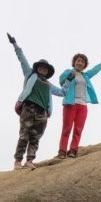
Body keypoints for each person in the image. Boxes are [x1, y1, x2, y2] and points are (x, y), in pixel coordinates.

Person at [7, 33, 65, 169]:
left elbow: (62, 92)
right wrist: (15, 45)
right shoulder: (30, 74)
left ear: (47, 71)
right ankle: (17, 161)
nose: (43, 69)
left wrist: (70, 80)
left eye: (45, 68)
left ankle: (29, 161)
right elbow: (22, 59)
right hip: (29, 107)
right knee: (24, 135)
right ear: (37, 68)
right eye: (41, 67)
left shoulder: (49, 84)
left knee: (35, 138)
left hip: (42, 112)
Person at [57, 53, 101, 158]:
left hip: (82, 105)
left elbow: (94, 71)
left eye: (82, 61)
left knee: (78, 129)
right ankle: (62, 151)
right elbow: (61, 81)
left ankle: (73, 150)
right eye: (78, 60)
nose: (80, 63)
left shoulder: (85, 75)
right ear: (74, 62)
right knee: (67, 128)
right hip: (70, 103)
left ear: (84, 64)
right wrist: (69, 77)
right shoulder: (69, 72)